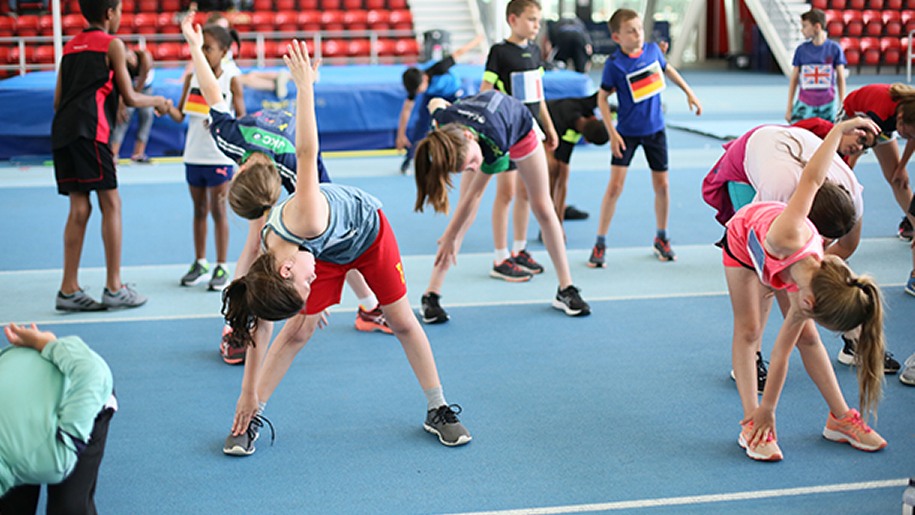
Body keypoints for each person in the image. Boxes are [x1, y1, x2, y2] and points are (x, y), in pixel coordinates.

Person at [198, 31, 471, 451]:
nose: (314, 291)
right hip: (324, 252)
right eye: (307, 287)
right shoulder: (274, 266)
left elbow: (307, 153)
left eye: (305, 286)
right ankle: (253, 418)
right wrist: (247, 395)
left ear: (287, 269)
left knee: (401, 321)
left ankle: (437, 407)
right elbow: (260, 325)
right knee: (297, 332)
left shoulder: (303, 217)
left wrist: (305, 89)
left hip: (369, 232)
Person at [723, 117, 887, 462]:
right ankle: (752, 425)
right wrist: (839, 131)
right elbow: (812, 178)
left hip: (784, 265)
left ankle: (840, 418)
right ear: (811, 300)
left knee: (807, 338)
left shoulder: (822, 279)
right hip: (742, 241)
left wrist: (773, 404)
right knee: (750, 329)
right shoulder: (790, 230)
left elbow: (782, 353)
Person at [702, 124, 900, 394]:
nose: (824, 245)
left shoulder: (850, 194)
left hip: (797, 157)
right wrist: (792, 279)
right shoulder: (778, 195)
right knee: (766, 283)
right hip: (750, 159)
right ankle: (751, 357)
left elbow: (847, 247)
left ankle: (855, 340)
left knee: (812, 276)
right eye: (821, 240)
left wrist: (815, 278)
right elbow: (760, 259)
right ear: (807, 225)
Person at [414, 90, 591, 322]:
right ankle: (431, 295)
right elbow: (435, 102)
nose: (472, 168)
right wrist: (447, 108)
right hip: (477, 125)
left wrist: (449, 235)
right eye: (465, 169)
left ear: (468, 137)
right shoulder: (445, 125)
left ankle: (566, 288)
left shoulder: (494, 142)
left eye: (471, 164)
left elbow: (475, 194)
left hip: (519, 129)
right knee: (463, 217)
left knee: (543, 207)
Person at [52, 0, 170, 312]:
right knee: (111, 203)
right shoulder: (113, 45)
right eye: (118, 10)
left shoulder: (71, 45)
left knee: (79, 207)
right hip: (92, 133)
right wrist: (158, 100)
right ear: (109, 13)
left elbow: (57, 100)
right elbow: (130, 97)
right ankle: (115, 287)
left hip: (63, 132)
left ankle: (68, 289)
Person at [591, 8, 701, 267]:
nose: (638, 34)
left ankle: (661, 237)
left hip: (655, 132)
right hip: (626, 135)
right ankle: (600, 242)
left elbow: (668, 69)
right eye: (631, 31)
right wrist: (612, 131)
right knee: (615, 188)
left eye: (640, 29)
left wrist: (689, 92)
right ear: (617, 37)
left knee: (662, 186)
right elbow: (602, 98)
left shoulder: (653, 51)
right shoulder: (614, 65)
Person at [479, 0, 559, 283]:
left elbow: (538, 96)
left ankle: (519, 249)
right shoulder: (499, 52)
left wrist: (549, 127)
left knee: (527, 193)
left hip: (531, 133)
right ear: (513, 19)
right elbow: (485, 90)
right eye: (532, 19)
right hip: (507, 133)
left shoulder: (536, 51)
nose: (537, 25)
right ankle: (500, 256)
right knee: (506, 194)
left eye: (539, 20)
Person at [0, 323, 116, 514]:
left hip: (83, 386)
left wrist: (48, 344)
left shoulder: (54, 461)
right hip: (23, 386)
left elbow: (92, 372)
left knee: (68, 506)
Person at [165, 23, 244, 292]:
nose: (203, 52)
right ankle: (200, 262)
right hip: (194, 155)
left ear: (223, 51)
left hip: (219, 158)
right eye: (200, 47)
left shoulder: (232, 78)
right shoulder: (192, 78)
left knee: (218, 210)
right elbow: (179, 115)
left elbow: (241, 118)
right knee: (198, 210)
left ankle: (222, 265)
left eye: (207, 48)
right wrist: (164, 107)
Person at [396, 34, 484, 174]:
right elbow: (406, 110)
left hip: (453, 93)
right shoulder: (415, 86)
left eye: (419, 89)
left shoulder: (439, 68)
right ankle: (410, 158)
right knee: (421, 125)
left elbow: (459, 53)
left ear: (425, 79)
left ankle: (466, 154)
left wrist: (476, 41)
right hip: (433, 96)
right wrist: (400, 135)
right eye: (417, 91)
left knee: (458, 123)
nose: (418, 92)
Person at [842, 83, 915, 240]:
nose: (908, 139)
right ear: (900, 120)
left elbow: (913, 137)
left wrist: (901, 167)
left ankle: (912, 221)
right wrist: (846, 172)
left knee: (897, 179)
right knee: (842, 170)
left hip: (884, 122)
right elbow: (857, 149)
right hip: (853, 115)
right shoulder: (880, 114)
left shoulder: (910, 113)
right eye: (906, 135)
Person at [545, 92, 609, 224]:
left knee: (562, 173)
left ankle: (558, 214)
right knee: (552, 171)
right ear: (587, 140)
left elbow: (607, 89)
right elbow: (561, 183)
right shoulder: (565, 132)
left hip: (553, 119)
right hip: (540, 125)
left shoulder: (588, 105)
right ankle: (550, 217)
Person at [784, 9, 846, 124]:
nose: (802, 30)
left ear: (817, 27)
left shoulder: (834, 49)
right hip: (805, 104)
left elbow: (840, 78)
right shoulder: (801, 50)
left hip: (827, 104)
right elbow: (794, 78)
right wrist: (789, 107)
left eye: (805, 26)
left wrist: (842, 104)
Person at [110, 46, 155, 163]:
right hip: (128, 90)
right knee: (123, 117)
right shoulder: (120, 64)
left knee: (147, 115)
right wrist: (121, 105)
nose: (130, 60)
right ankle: (113, 154)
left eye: (130, 57)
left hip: (144, 89)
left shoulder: (145, 57)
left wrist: (129, 99)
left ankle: (138, 153)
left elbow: (141, 82)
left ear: (131, 52)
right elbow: (120, 86)